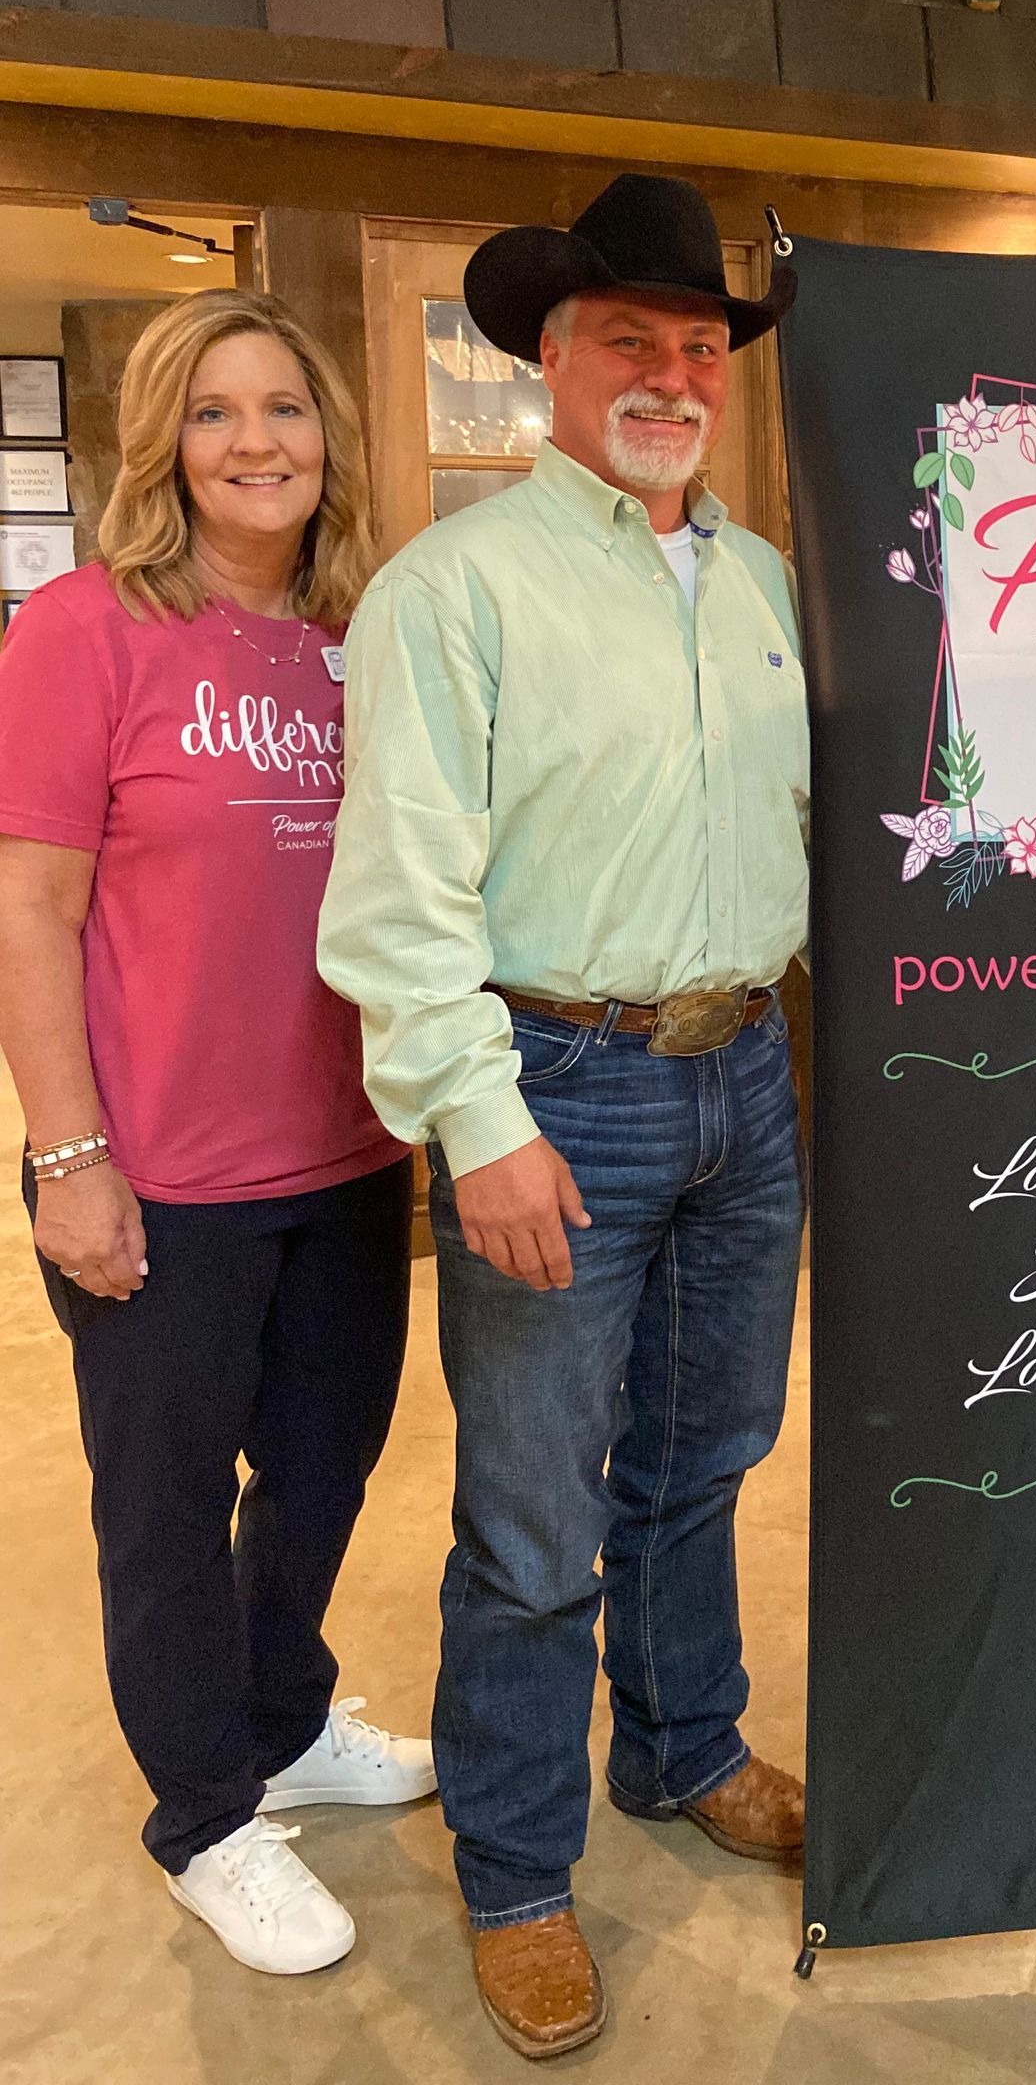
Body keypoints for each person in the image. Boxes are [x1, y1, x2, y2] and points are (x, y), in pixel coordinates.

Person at [318, 173, 809, 2060]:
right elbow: (399, 896)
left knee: (707, 1454)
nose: (671, 372)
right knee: (536, 1515)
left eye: (698, 344)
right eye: (630, 339)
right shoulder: (456, 591)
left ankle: (684, 1747)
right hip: (560, 1091)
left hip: (743, 1080)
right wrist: (479, 1123)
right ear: (549, 361)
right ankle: (517, 1872)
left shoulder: (756, 580)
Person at [0, 292, 435, 1980]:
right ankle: (204, 1815)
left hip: (347, 1151)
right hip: (161, 1169)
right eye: (214, 412)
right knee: (165, 1506)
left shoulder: (365, 636)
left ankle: (281, 1716)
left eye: (286, 409)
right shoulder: (84, 631)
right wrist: (66, 1158)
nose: (258, 442)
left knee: (324, 1472)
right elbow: (30, 913)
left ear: (330, 436)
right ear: (162, 447)